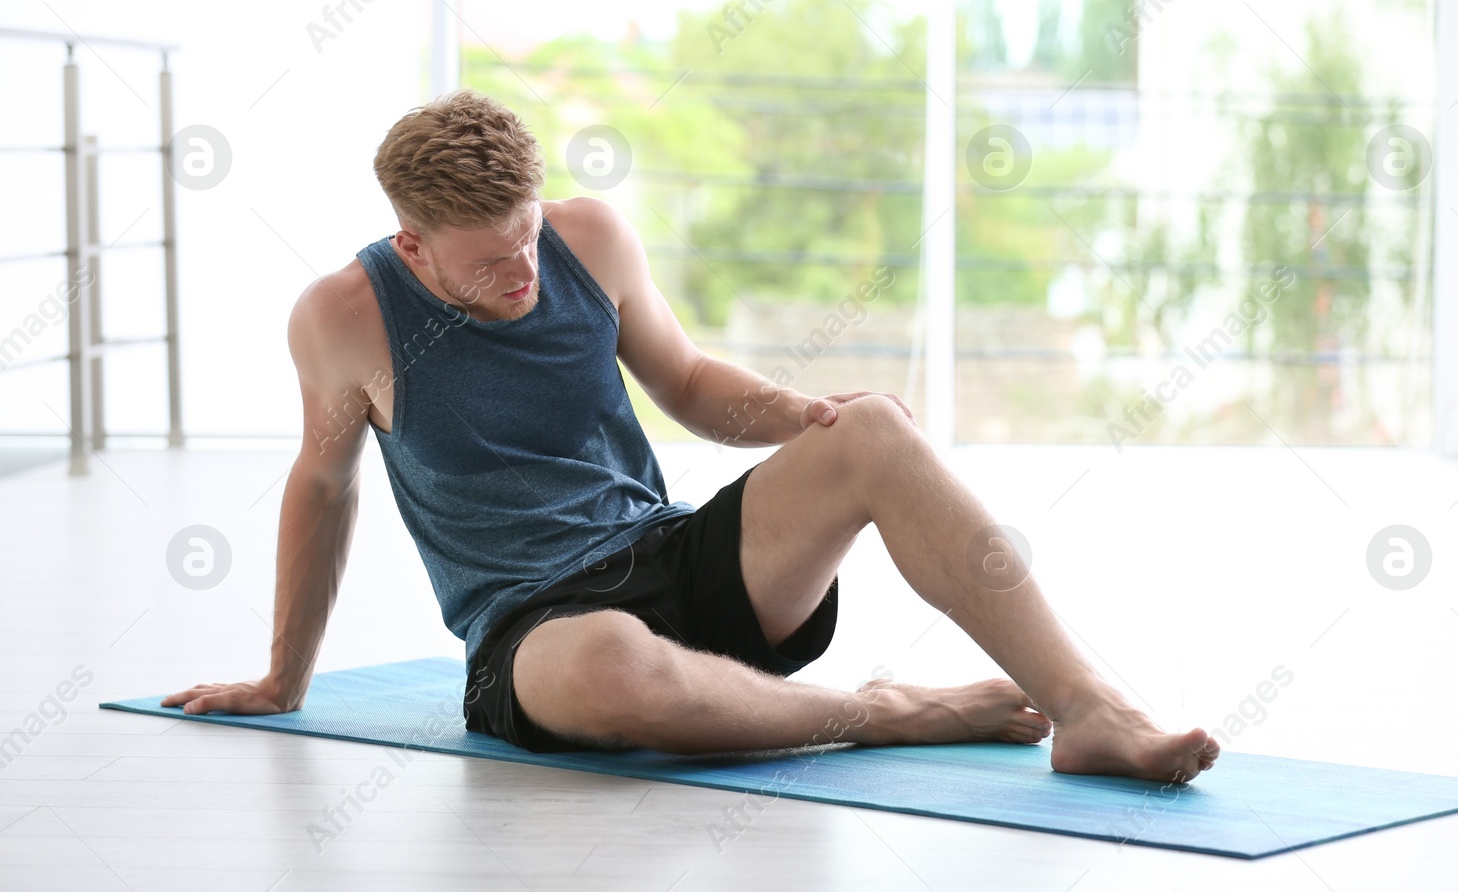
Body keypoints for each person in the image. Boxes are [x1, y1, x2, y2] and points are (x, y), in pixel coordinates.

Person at [163, 90, 1220, 783]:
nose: (522, 274)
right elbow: (324, 485)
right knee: (614, 662)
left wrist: (806, 417)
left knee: (876, 428)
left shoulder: (588, 239)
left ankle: (1092, 709)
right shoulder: (343, 319)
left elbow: (690, 385)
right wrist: (280, 678)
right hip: (537, 633)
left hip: (674, 557)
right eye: (488, 263)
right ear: (414, 245)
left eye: (527, 238)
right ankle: (882, 711)